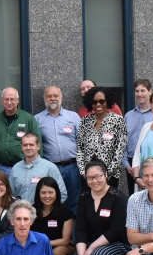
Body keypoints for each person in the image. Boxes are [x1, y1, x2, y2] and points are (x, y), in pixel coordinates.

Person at [71, 160, 130, 255]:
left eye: (98, 176)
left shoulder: (119, 198)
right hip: (92, 242)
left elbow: (116, 231)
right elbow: (80, 229)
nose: (94, 181)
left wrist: (91, 249)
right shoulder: (84, 198)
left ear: (106, 175)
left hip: (118, 244)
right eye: (90, 178)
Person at [34, 85, 81, 213]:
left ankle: (71, 233)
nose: (52, 98)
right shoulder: (37, 119)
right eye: (49, 96)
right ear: (44, 98)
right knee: (51, 201)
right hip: (51, 167)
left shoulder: (73, 117)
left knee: (74, 201)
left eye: (56, 96)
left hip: (73, 167)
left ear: (61, 97)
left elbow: (81, 142)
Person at [76, 86, 127, 190]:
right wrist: (83, 171)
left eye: (101, 101)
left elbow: (120, 150)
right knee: (90, 204)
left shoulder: (118, 121)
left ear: (108, 102)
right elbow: (79, 149)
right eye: (94, 102)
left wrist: (107, 172)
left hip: (110, 176)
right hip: (89, 177)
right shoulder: (85, 121)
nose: (98, 104)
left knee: (107, 205)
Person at [0, 87, 42, 176]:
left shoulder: (29, 119)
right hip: (0, 169)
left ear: (18, 100)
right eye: (6, 99)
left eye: (12, 99)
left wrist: (38, 168)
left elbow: (38, 143)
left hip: (24, 168)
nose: (9, 102)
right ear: (2, 100)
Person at [30, 177, 76, 255]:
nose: (47, 196)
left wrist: (44, 243)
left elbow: (65, 241)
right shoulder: (31, 211)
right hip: (37, 245)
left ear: (56, 193)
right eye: (43, 193)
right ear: (38, 193)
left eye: (51, 192)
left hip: (61, 246)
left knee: (56, 254)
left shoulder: (66, 212)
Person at [9, 133, 66, 206]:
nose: (28, 148)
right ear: (21, 147)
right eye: (25, 145)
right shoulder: (16, 168)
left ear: (38, 146)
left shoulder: (50, 167)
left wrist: (49, 212)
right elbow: (10, 194)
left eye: (31, 145)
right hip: (21, 214)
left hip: (42, 215)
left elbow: (62, 194)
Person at [123, 79, 153, 190]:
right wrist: (126, 164)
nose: (139, 94)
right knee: (134, 198)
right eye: (137, 91)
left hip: (152, 162)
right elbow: (123, 142)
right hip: (132, 164)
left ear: (150, 92)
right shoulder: (128, 116)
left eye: (143, 91)